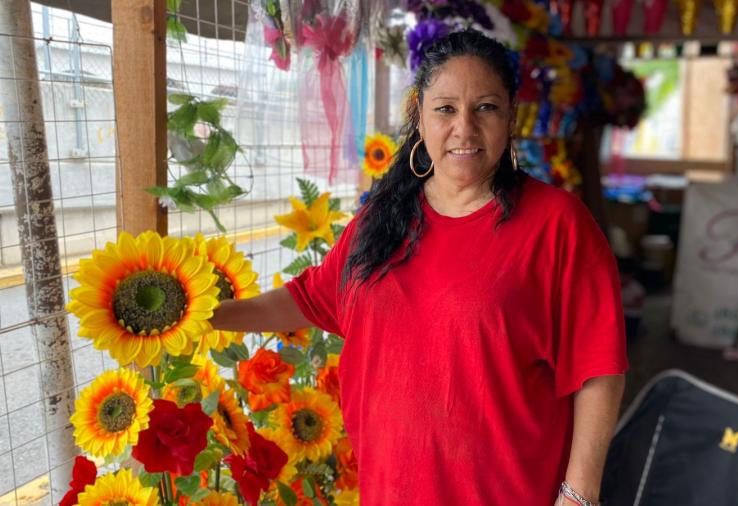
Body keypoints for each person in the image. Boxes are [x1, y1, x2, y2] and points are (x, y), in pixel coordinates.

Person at [212, 29, 627, 506]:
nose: (464, 129)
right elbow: (311, 297)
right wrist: (213, 314)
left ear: (511, 116)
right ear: (420, 116)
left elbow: (598, 367)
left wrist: (578, 495)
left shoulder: (557, 224)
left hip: (509, 491)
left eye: (486, 108)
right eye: (446, 109)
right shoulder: (382, 218)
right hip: (390, 491)